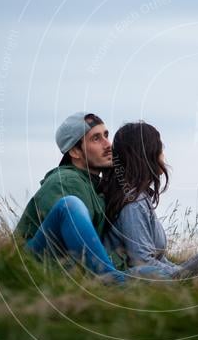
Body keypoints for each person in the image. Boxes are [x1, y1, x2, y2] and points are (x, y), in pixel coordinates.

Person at [101, 121, 198, 283]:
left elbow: (159, 259)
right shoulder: (134, 203)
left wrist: (180, 270)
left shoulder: (137, 197)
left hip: (154, 274)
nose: (163, 155)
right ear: (147, 155)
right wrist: (180, 274)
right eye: (160, 149)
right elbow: (142, 261)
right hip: (139, 277)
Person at [14, 112, 128, 283]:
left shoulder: (92, 185)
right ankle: (113, 281)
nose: (108, 145)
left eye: (106, 135)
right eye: (96, 139)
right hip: (27, 265)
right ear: (75, 151)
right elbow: (67, 248)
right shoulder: (66, 182)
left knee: (150, 271)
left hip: (69, 266)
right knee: (70, 205)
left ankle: (175, 278)